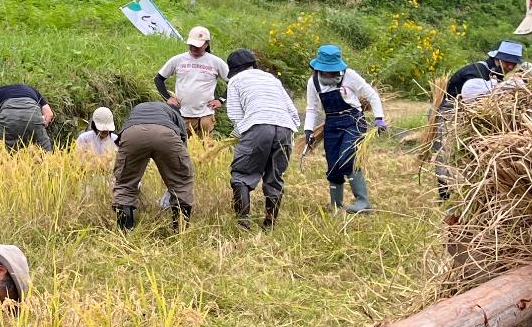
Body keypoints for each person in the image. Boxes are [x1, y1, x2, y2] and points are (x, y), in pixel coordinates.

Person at [432, 40, 526, 201]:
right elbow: (472, 94)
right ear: (498, 58)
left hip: (466, 116)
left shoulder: (496, 73)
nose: (511, 66)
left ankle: (464, 191)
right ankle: (445, 194)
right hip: (449, 113)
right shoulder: (478, 71)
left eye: (514, 63)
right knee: (445, 153)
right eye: (508, 61)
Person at [301, 44, 387, 214]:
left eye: (333, 70)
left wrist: (379, 118)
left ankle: (363, 201)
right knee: (333, 165)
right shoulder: (314, 82)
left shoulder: (350, 76)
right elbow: (311, 108)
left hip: (353, 121)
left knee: (347, 158)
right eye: (326, 70)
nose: (329, 74)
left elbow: (371, 95)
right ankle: (337, 205)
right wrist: (308, 131)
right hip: (331, 124)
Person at [223, 48, 298, 229]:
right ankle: (269, 224)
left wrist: (238, 137)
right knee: (275, 178)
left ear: (233, 70)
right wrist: (290, 135)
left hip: (257, 126)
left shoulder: (235, 81)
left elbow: (235, 114)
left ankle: (243, 224)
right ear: (253, 65)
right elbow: (293, 112)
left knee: (241, 175)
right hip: (285, 127)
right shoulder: (272, 79)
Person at [111, 97, 196, 230]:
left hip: (133, 133)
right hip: (165, 134)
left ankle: (124, 232)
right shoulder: (175, 114)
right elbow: (182, 145)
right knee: (182, 182)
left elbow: (123, 139)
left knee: (125, 183)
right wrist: (177, 175)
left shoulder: (138, 108)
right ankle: (180, 230)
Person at [156, 26, 229, 143]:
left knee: (205, 151)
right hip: (183, 114)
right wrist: (168, 97)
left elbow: (233, 82)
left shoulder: (216, 62)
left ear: (206, 44)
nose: (194, 48)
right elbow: (159, 79)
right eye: (191, 45)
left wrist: (221, 100)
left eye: (197, 46)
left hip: (206, 115)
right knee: (181, 146)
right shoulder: (178, 60)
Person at [0, 82, 53, 150]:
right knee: (44, 154)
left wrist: (0, 125)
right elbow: (49, 114)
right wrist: (39, 125)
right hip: (33, 115)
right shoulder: (33, 90)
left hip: (8, 117)